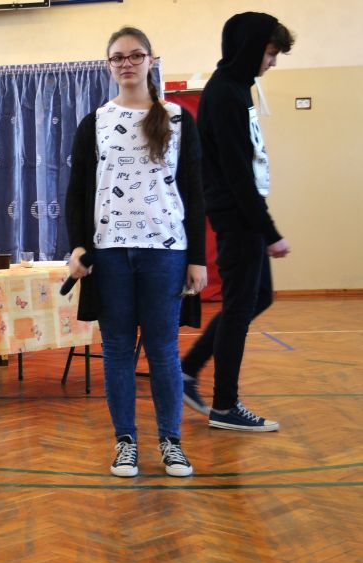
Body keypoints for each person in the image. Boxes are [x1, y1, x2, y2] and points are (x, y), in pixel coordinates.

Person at [66, 27, 206, 477]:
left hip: (165, 252)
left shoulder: (178, 119)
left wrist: (198, 258)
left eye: (135, 55)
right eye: (118, 57)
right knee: (117, 350)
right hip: (110, 254)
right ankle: (125, 441)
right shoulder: (95, 122)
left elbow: (195, 191)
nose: (126, 63)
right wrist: (78, 245)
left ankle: (171, 442)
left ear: (150, 60)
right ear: (109, 65)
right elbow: (77, 191)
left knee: (163, 350)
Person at [180, 13, 294, 432]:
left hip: (244, 215)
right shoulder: (225, 94)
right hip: (238, 217)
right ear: (249, 48)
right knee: (240, 307)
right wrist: (268, 230)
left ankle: (187, 370)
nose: (273, 62)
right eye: (270, 52)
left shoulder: (237, 89)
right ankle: (225, 406)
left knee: (257, 298)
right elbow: (236, 173)